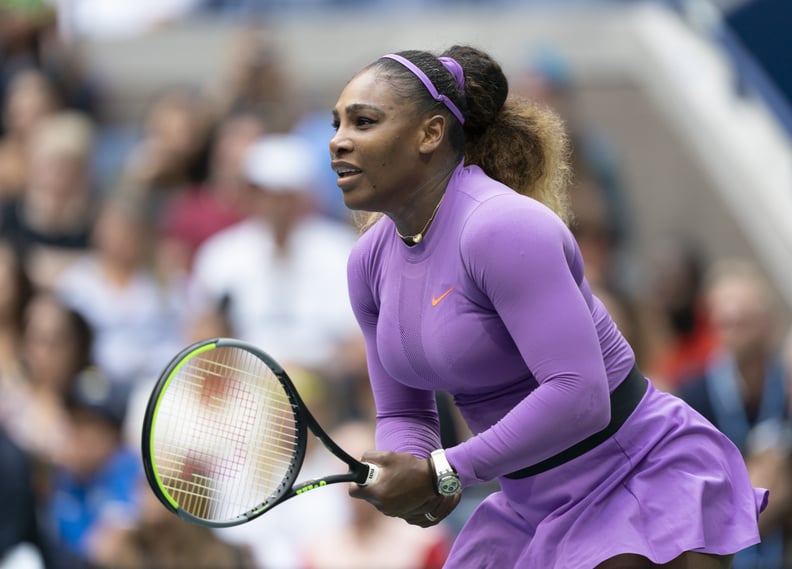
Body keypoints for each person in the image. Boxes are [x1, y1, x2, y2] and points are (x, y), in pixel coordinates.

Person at [330, 45, 766, 569]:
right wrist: (415, 472)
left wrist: (445, 470)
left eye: (363, 121)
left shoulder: (500, 227)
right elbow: (404, 410)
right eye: (337, 123)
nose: (338, 141)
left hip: (633, 476)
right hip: (526, 502)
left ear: (431, 133)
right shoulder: (366, 265)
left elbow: (579, 395)